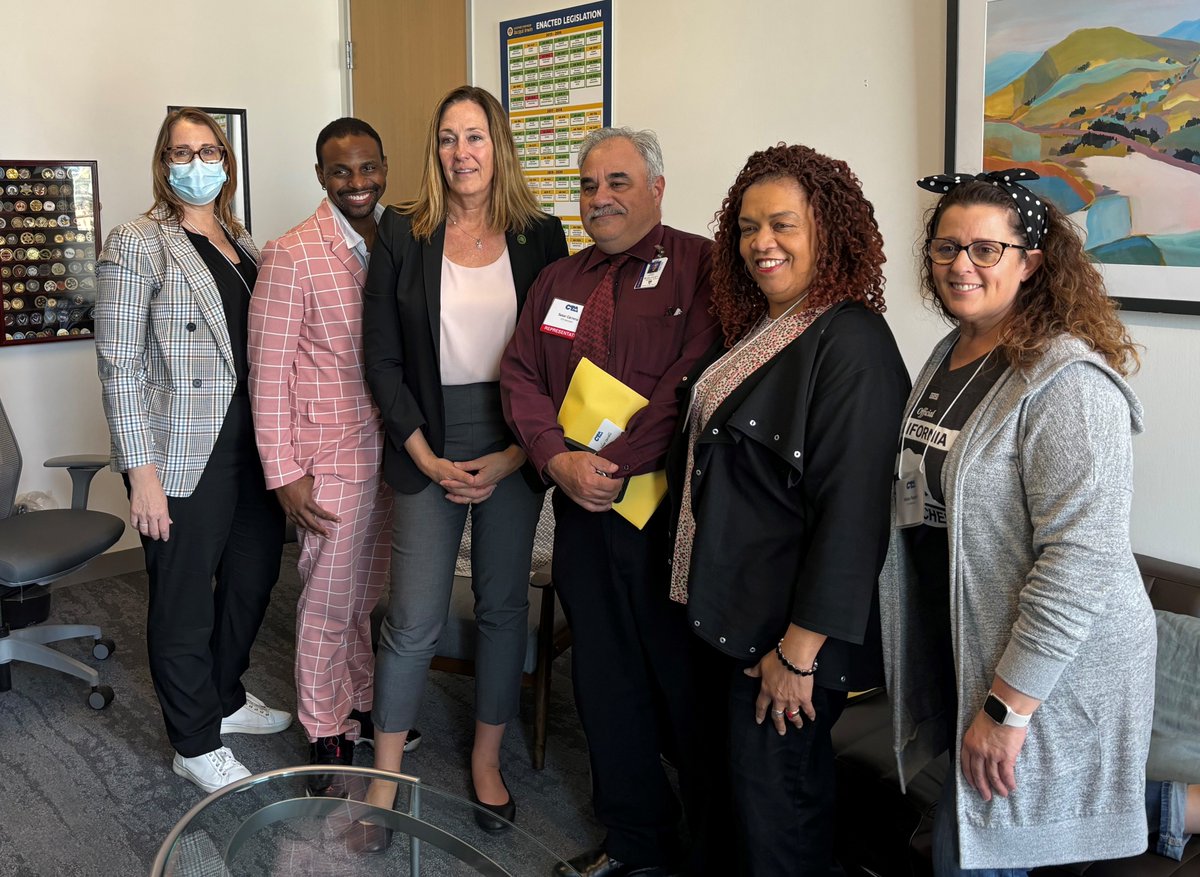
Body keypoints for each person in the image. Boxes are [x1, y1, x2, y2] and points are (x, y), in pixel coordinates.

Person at [880, 168, 1156, 874]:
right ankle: (1176, 806)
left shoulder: (1069, 382)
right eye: (946, 248)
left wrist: (1007, 709)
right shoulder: (951, 354)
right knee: (1021, 809)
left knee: (974, 848)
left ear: (1031, 262)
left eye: (984, 249)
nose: (960, 266)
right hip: (971, 641)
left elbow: (1079, 561)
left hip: (1052, 664)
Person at [665, 143, 909, 875]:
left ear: (828, 232)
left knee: (779, 819)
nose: (760, 243)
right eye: (745, 227)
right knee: (725, 800)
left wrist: (797, 657)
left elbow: (854, 516)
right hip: (727, 620)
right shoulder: (769, 327)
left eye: (782, 225)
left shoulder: (852, 341)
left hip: (782, 645)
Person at [501, 126, 720, 877]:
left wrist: (614, 461)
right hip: (582, 515)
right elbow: (520, 375)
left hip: (668, 519)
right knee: (603, 677)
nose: (600, 198)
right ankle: (634, 838)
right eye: (589, 185)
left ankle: (712, 843)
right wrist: (557, 458)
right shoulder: (558, 280)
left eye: (617, 182)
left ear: (657, 187)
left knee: (683, 679)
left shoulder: (703, 267)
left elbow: (694, 380)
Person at [359, 85, 567, 843]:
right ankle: (384, 776)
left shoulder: (541, 235)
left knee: (504, 604)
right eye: (448, 138)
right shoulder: (401, 232)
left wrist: (519, 453)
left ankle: (487, 760)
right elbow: (380, 357)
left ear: (498, 145)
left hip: (515, 436)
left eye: (474, 136)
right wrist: (421, 450)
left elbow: (559, 359)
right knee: (413, 617)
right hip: (426, 436)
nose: (461, 153)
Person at [95, 107, 290, 794]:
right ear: (163, 162)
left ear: (227, 164)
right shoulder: (138, 242)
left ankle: (225, 695)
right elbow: (120, 364)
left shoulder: (246, 244)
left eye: (209, 151)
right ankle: (193, 738)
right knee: (183, 597)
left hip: (254, 449)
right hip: (181, 454)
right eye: (183, 151)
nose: (197, 163)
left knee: (252, 576)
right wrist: (140, 474)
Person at [248, 117, 420, 795]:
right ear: (322, 175)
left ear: (385, 166)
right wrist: (283, 472)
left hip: (391, 450)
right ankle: (324, 724)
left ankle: (360, 701)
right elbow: (268, 373)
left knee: (363, 593)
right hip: (326, 456)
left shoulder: (400, 239)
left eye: (369, 167)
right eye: (342, 171)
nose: (358, 182)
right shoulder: (292, 253)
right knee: (325, 594)